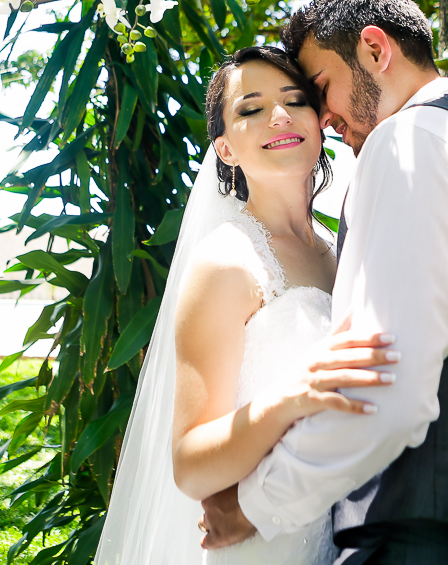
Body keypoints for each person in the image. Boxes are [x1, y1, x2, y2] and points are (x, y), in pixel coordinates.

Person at [199, 0, 448, 565]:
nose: (322, 116)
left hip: (433, 537)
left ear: (376, 50)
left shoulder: (409, 143)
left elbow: (385, 391)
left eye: (320, 88)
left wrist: (256, 504)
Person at [94, 45, 397, 565]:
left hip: (349, 534)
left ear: (320, 122)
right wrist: (292, 397)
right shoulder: (226, 263)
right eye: (251, 109)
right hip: (266, 546)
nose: (279, 116)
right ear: (226, 149)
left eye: (295, 100)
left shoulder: (343, 249)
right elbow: (191, 465)